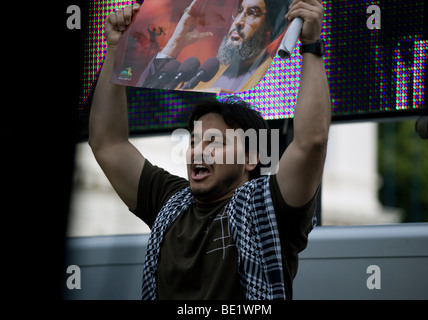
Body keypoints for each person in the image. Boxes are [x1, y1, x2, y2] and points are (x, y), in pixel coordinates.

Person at [89, 0, 330, 300]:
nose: (197, 151)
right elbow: (107, 143)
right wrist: (115, 48)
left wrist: (311, 45)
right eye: (193, 141)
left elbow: (311, 143)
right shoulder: (169, 200)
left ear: (252, 156)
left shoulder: (273, 210)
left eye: (214, 141)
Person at [136, 0, 292, 92]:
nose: (238, 21)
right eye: (239, 11)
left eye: (252, 13)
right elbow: (145, 90)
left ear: (270, 27)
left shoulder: (275, 83)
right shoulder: (204, 73)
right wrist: (175, 43)